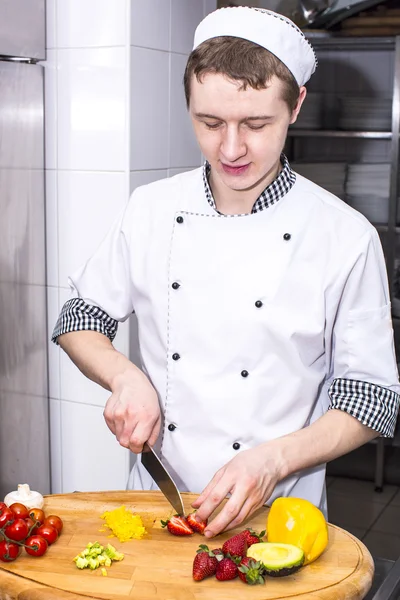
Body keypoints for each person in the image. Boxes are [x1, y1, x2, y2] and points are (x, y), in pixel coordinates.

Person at [52, 6, 400, 538]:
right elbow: (79, 315)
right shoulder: (149, 208)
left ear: (296, 105)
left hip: (279, 515)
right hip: (156, 511)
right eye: (209, 123)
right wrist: (124, 376)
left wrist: (274, 461)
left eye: (256, 124)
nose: (231, 148)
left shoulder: (345, 237)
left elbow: (370, 398)